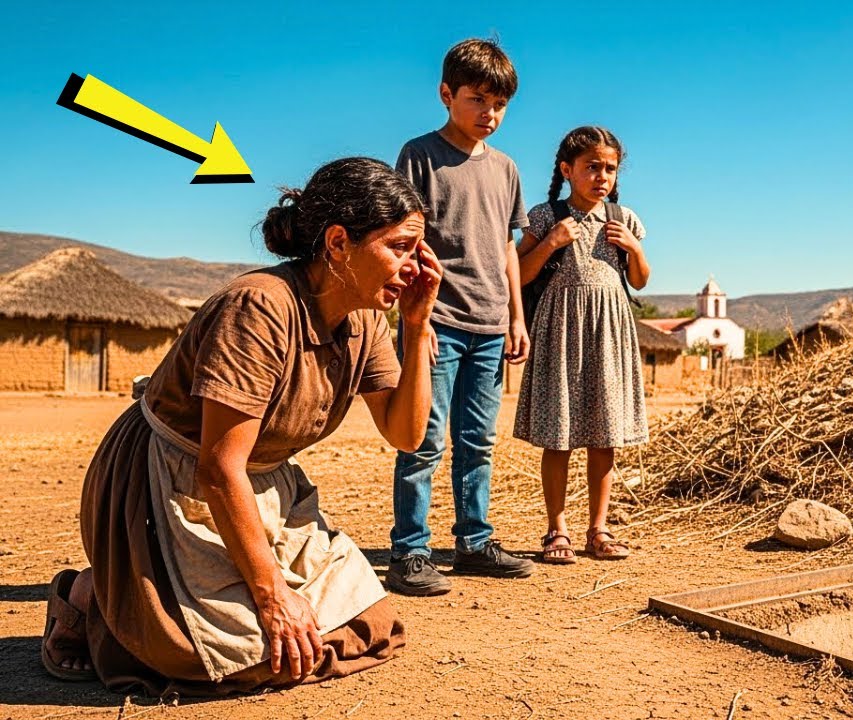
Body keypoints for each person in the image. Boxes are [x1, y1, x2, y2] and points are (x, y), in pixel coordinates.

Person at [40, 157, 443, 695]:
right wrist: (273, 597)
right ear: (340, 242)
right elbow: (218, 465)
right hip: (172, 481)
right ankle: (87, 597)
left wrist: (416, 327)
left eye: (417, 251)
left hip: (261, 487)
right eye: (399, 247)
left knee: (371, 627)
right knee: (232, 657)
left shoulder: (366, 318)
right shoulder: (259, 307)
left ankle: (191, 598)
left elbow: (405, 435)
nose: (414, 268)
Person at [388, 38, 534, 596]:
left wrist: (516, 319)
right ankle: (411, 551)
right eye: (478, 100)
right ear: (447, 94)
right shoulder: (419, 155)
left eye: (499, 105)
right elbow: (408, 239)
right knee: (423, 438)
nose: (489, 114)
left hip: (491, 325)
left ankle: (474, 542)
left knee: (478, 441)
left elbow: (505, 246)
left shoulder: (506, 169)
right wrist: (414, 323)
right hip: (438, 322)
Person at [514, 126, 651, 564]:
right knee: (559, 435)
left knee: (604, 435)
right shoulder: (545, 216)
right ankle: (556, 530)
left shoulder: (622, 217)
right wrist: (551, 242)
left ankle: (599, 528)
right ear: (567, 170)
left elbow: (640, 282)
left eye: (609, 168)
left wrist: (634, 249)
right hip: (560, 330)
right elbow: (516, 275)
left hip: (609, 331)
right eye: (592, 167)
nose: (602, 176)